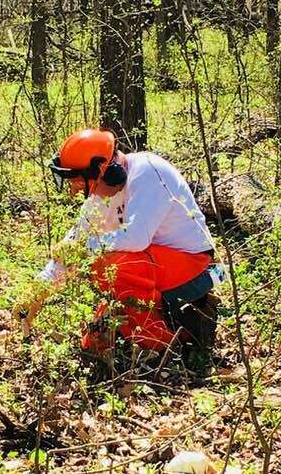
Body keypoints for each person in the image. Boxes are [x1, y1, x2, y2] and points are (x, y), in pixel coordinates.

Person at [15, 128, 220, 370]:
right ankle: (184, 328)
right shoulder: (98, 198)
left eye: (79, 181)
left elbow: (136, 238)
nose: (75, 189)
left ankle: (156, 347)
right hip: (150, 267)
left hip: (190, 264)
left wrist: (81, 249)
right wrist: (36, 292)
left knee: (115, 264)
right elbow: (71, 248)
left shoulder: (147, 172)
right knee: (94, 341)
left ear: (104, 170)